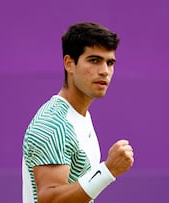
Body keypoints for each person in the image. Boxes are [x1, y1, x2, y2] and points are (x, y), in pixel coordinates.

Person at [22, 22, 134, 203]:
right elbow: (49, 199)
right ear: (69, 64)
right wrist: (107, 170)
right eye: (94, 60)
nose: (105, 71)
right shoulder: (54, 124)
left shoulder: (79, 116)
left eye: (110, 62)